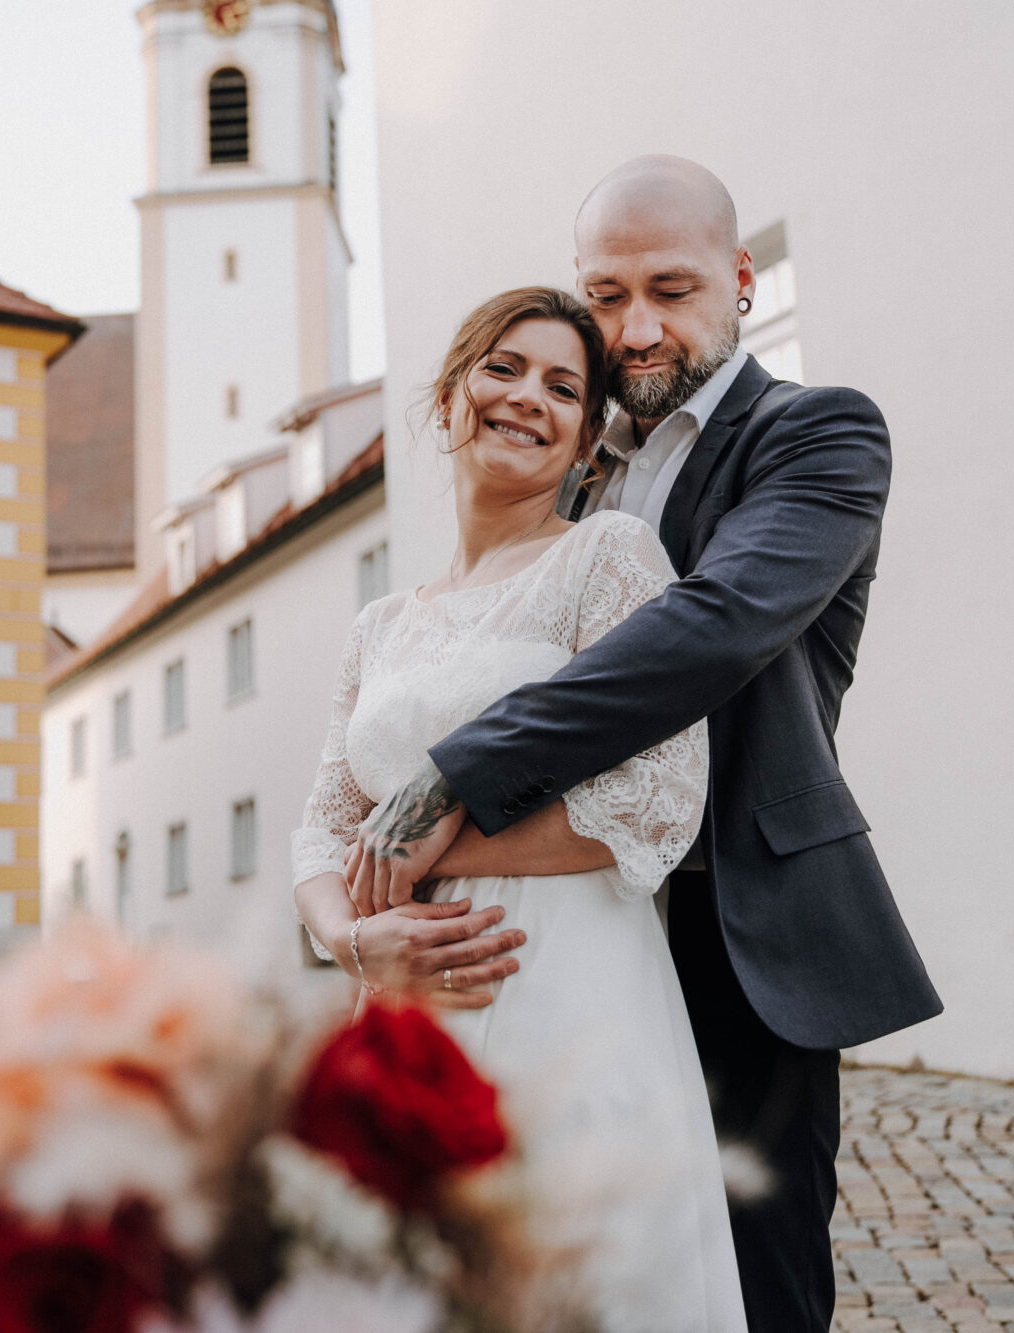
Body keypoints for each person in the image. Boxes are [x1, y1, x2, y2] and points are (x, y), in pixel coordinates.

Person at [341, 155, 944, 1332]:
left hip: (736, 923)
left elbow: (711, 627)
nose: (637, 324)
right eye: (606, 293)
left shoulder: (816, 434)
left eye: (670, 287)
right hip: (559, 941)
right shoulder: (578, 477)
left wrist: (456, 766)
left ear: (740, 280)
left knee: (745, 1281)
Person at [293, 286, 747, 1331]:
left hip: (566, 987)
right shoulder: (377, 625)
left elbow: (655, 800)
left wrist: (435, 847)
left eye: (562, 387)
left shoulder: (609, 559)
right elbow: (323, 821)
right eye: (503, 369)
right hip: (404, 1004)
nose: (526, 398)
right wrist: (356, 938)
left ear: (590, 438)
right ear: (449, 395)